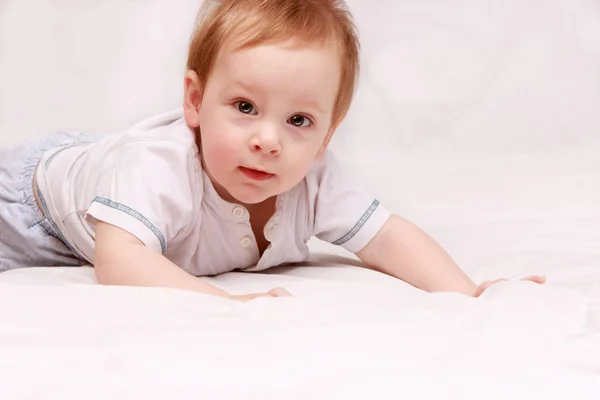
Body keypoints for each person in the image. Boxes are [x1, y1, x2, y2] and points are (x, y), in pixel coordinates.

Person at [0, 0, 544, 300]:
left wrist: (468, 292)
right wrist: (224, 307)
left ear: (327, 135)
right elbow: (118, 259)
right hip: (34, 205)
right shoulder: (159, 164)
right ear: (195, 100)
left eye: (299, 120)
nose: (268, 139)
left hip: (107, 189)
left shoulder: (313, 178)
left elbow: (387, 237)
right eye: (243, 107)